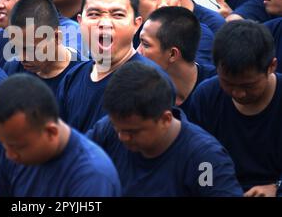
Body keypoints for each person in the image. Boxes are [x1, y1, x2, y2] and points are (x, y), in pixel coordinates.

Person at [87, 61, 243, 196]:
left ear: (165, 119)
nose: (123, 137)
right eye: (118, 128)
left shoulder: (204, 161)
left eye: (133, 132)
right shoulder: (109, 130)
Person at [57, 0, 171, 133]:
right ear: (80, 21)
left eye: (117, 15)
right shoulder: (72, 77)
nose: (104, 23)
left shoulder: (151, 81)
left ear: (136, 24)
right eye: (94, 14)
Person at [188, 20, 282, 196]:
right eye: (228, 83)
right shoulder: (206, 97)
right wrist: (208, 188)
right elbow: (200, 160)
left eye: (248, 86)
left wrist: (277, 188)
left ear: (271, 67)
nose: (238, 93)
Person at [0, 73, 121, 196]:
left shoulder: (92, 176)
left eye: (17, 147)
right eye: (5, 145)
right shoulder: (15, 150)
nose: (9, 155)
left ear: (51, 132)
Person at [138, 7, 216, 113]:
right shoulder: (138, 92)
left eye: (145, 45)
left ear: (173, 54)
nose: (138, 51)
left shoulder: (219, 89)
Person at [132, 0, 214, 66]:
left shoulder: (199, 35)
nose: (163, 4)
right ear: (135, 3)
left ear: (179, 0)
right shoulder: (128, 33)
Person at [3, 0, 81, 96]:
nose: (22, 57)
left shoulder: (81, 76)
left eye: (31, 49)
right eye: (16, 47)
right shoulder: (12, 69)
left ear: (57, 37)